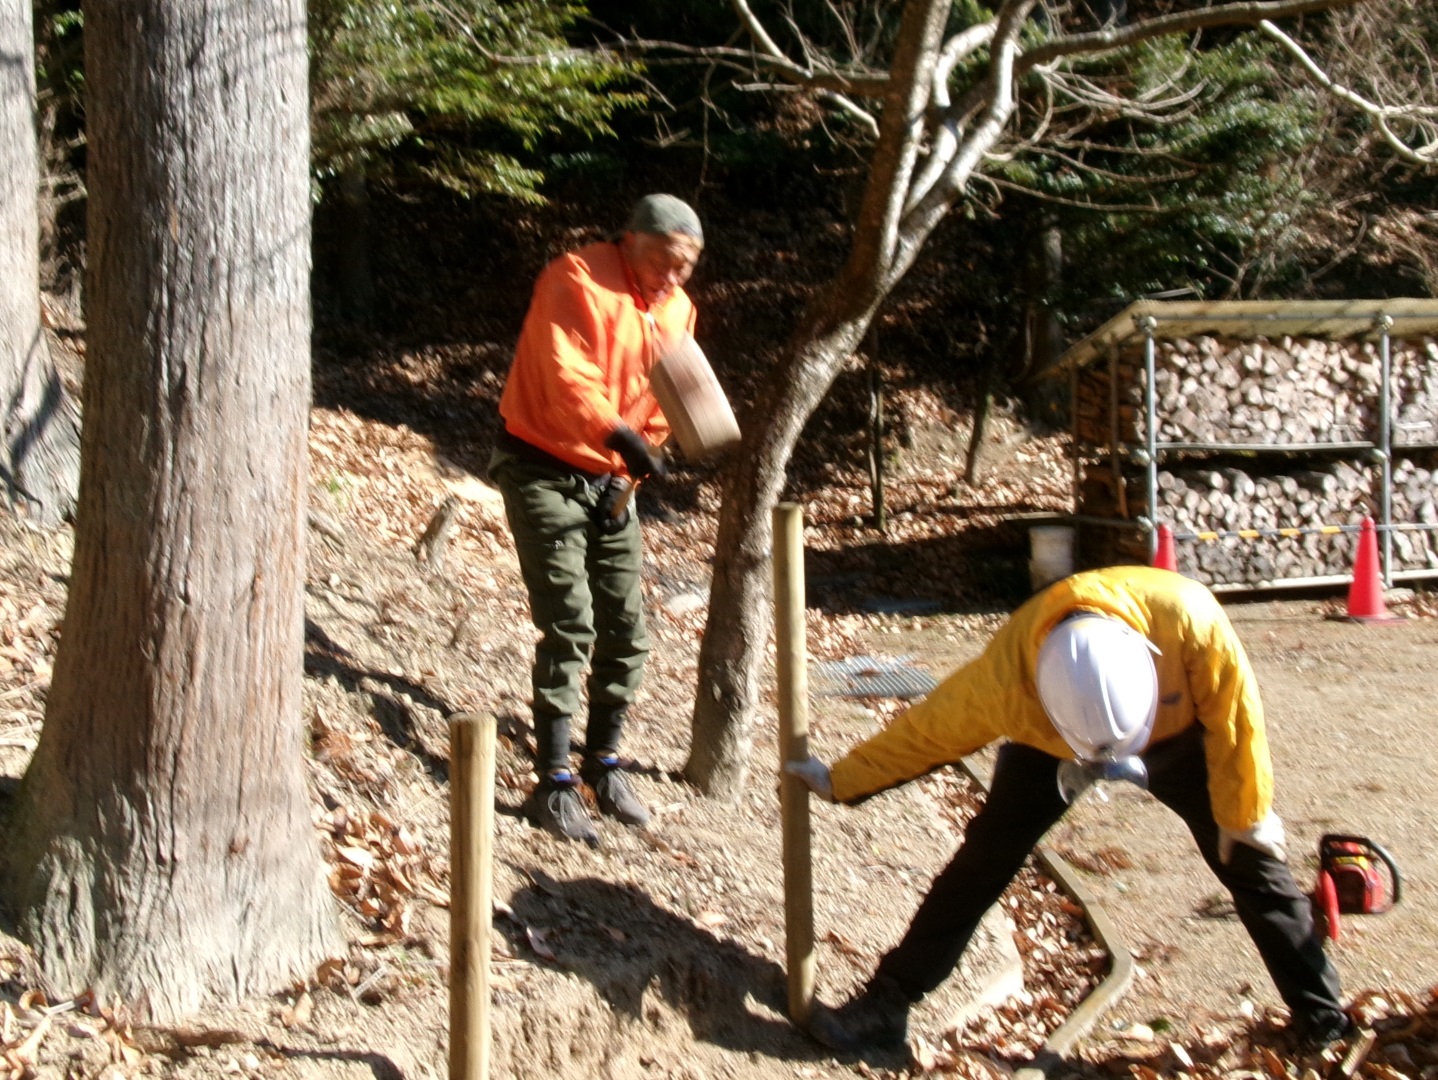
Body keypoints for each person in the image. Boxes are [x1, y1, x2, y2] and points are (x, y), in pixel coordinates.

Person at [785, 564, 1350, 1054]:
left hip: (1178, 733)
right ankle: (887, 1004)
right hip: (1050, 747)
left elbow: (1237, 724)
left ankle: (1323, 1020)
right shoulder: (1004, 681)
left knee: (1251, 860)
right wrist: (841, 779)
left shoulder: (1190, 620)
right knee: (984, 859)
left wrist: (1245, 818)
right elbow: (926, 733)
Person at [489, 194, 704, 847]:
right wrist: (619, 434)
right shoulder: (575, 278)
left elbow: (670, 390)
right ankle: (553, 781)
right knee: (569, 622)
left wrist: (644, 455)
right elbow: (566, 377)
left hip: (613, 481)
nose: (671, 278)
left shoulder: (677, 308)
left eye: (685, 267)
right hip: (542, 465)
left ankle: (603, 764)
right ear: (629, 240)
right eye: (662, 261)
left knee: (627, 628)